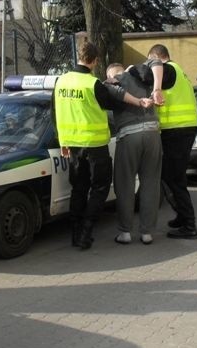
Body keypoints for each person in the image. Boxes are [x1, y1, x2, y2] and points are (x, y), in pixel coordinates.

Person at [52, 41, 153, 250]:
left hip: (72, 146)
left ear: (78, 57)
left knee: (78, 189)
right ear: (95, 60)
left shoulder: (60, 82)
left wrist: (62, 141)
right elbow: (114, 102)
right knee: (99, 188)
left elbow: (55, 113)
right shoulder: (93, 84)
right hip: (95, 146)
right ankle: (87, 231)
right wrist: (136, 99)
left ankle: (75, 234)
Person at [130, 44, 197, 239]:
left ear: (156, 57)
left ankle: (189, 225)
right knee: (172, 177)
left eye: (150, 61)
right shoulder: (177, 71)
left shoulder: (167, 69)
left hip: (177, 130)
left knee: (174, 179)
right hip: (182, 128)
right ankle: (182, 216)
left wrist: (129, 71)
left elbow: (151, 67)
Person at [105, 63, 162, 245]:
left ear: (113, 74)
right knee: (151, 183)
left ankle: (125, 232)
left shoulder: (117, 81)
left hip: (129, 136)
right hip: (153, 133)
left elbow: (107, 88)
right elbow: (156, 61)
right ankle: (147, 233)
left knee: (125, 184)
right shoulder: (143, 77)